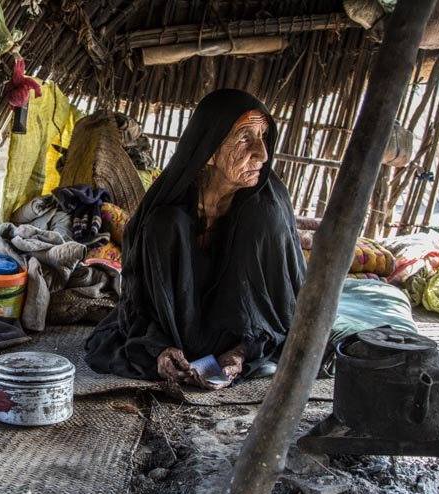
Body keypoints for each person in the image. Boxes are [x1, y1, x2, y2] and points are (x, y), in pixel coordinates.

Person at [85, 89, 306, 389]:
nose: (263, 154)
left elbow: (280, 304)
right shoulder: (169, 208)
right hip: (178, 328)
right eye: (245, 138)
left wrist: (241, 353)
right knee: (166, 224)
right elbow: (140, 297)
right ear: (210, 149)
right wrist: (159, 348)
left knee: (256, 221)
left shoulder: (267, 210)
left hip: (241, 331)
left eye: (263, 136)